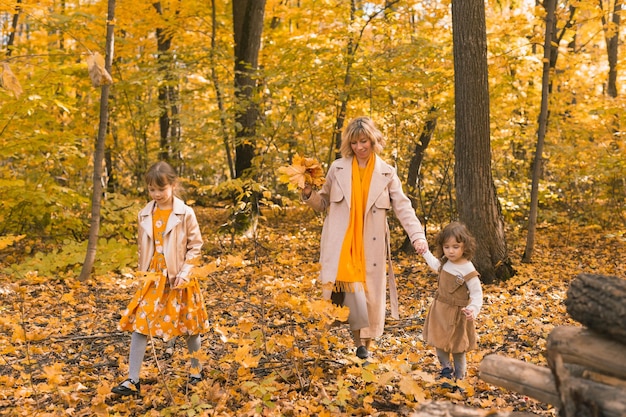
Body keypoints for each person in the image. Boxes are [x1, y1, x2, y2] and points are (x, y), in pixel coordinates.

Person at [302, 116, 428, 359]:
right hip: (342, 245)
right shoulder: (337, 168)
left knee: (370, 298)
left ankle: (365, 349)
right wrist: (309, 194)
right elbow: (323, 202)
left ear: (373, 141)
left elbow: (403, 207)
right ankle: (360, 345)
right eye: (355, 143)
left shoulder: (387, 173)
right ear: (348, 145)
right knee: (354, 294)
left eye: (364, 141)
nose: (360, 147)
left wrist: (417, 237)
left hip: (370, 247)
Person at [112, 161, 210, 396]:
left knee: (190, 327)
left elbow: (196, 246)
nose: (156, 194)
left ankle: (196, 372)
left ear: (173, 186)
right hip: (154, 278)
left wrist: (185, 273)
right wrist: (143, 273)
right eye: (151, 190)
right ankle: (132, 380)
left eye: (161, 189)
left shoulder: (185, 213)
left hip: (180, 276)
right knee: (140, 324)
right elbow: (143, 247)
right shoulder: (144, 213)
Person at [421, 221, 483, 386]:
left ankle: (460, 378)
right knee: (439, 341)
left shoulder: (468, 269)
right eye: (447, 247)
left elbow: (477, 293)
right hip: (440, 309)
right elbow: (435, 266)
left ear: (465, 247)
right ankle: (446, 370)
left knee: (457, 347)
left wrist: (473, 309)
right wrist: (425, 252)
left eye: (456, 246)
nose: (451, 251)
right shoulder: (445, 262)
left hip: (458, 313)